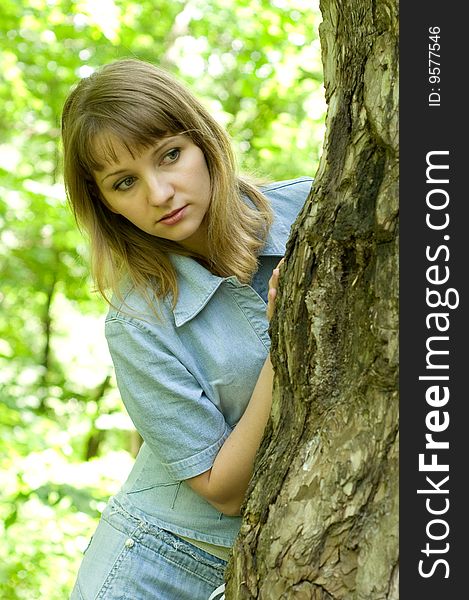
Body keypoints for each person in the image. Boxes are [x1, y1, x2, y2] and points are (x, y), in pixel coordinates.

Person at [62, 58, 312, 600]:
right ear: (104, 201)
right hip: (157, 567)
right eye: (124, 182)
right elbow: (223, 490)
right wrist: (286, 342)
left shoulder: (315, 211)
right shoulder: (136, 322)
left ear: (204, 142)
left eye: (170, 155)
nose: (159, 194)